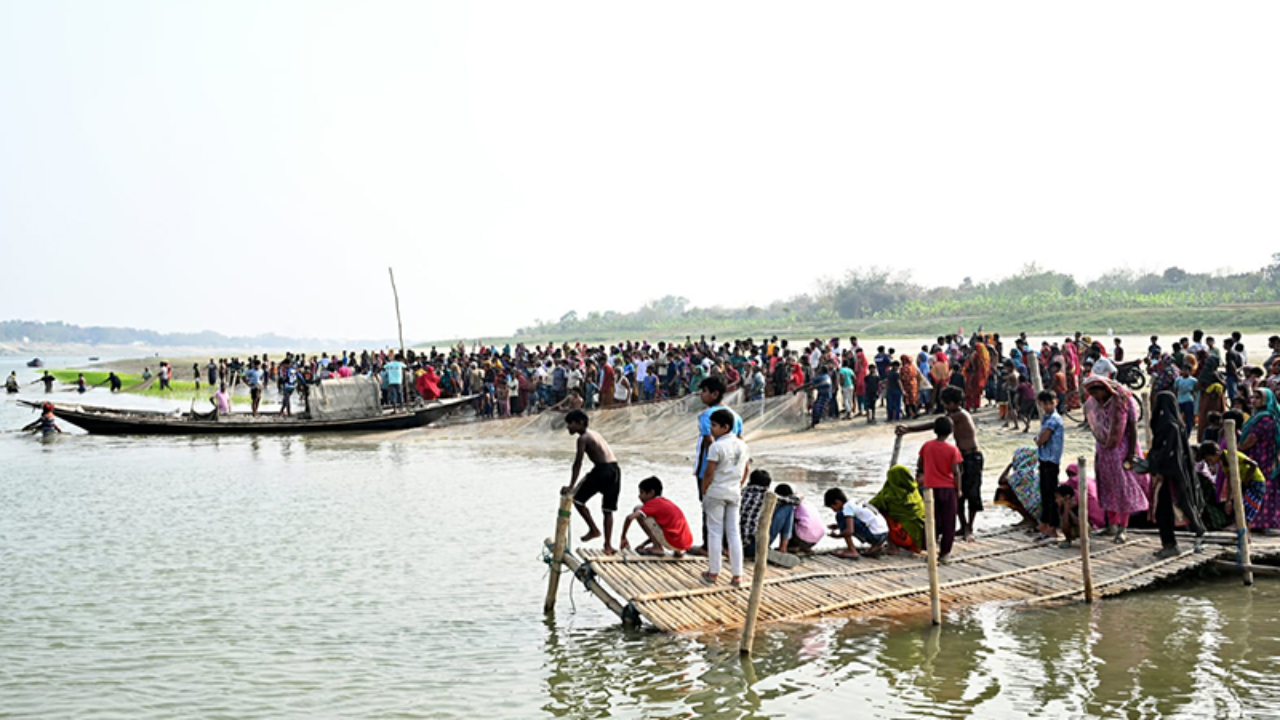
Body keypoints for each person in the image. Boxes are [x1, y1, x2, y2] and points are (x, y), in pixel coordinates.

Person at [898, 386, 983, 540]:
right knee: (958, 493)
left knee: (972, 493)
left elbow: (935, 425)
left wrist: (910, 429)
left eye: (946, 404)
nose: (944, 406)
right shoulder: (953, 414)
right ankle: (963, 525)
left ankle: (969, 527)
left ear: (955, 403)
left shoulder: (960, 415)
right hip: (962, 456)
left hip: (972, 457)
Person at [1083, 376, 1148, 543]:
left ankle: (1123, 528)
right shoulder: (1094, 404)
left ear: (1105, 389)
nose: (1095, 397)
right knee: (1107, 488)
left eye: (1096, 392)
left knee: (1122, 490)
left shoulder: (1124, 401)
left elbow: (1132, 427)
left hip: (1121, 450)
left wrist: (1131, 453)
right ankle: (1111, 525)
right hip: (1104, 451)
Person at [1146, 391, 1206, 556]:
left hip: (1169, 475)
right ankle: (1173, 542)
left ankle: (1172, 545)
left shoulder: (1170, 427)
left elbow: (1168, 453)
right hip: (1174, 473)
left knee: (1166, 510)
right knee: (1173, 507)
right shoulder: (1175, 425)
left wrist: (1157, 467)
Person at [691, 377, 742, 555]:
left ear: (714, 394)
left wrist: (709, 474)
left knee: (708, 506)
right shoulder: (735, 416)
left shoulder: (706, 416)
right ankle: (726, 546)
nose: (701, 395)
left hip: (709, 468)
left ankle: (708, 546)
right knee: (728, 510)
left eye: (704, 391)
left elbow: (708, 442)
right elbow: (740, 442)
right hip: (731, 470)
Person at [560, 409, 622, 554]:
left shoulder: (583, 438)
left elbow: (578, 463)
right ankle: (608, 546)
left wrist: (571, 486)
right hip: (615, 470)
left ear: (580, 423)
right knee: (608, 510)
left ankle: (594, 529)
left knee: (577, 500)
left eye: (570, 424)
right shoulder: (594, 434)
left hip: (602, 470)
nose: (568, 427)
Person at [700, 408, 750, 585]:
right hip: (734, 492)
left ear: (725, 427)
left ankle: (713, 572)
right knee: (733, 532)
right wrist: (739, 484)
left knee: (715, 532)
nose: (711, 429)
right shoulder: (743, 445)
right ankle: (737, 574)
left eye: (714, 425)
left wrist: (704, 489)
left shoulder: (716, 446)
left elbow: (709, 472)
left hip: (717, 491)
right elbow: (746, 469)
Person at [915, 415, 964, 562]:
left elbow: (920, 463)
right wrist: (958, 489)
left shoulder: (927, 446)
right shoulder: (953, 450)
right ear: (951, 431)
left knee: (931, 520)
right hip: (948, 488)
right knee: (949, 521)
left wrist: (923, 474)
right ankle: (944, 553)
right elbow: (956, 472)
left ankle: (930, 550)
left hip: (930, 488)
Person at [619, 477, 693, 557]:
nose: (639, 496)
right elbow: (661, 530)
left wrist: (623, 537)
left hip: (672, 541)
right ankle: (679, 551)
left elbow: (629, 518)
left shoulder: (653, 503)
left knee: (638, 509)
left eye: (641, 493)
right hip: (684, 544)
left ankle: (657, 548)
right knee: (650, 515)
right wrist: (644, 544)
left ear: (651, 493)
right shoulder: (666, 502)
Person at [1240, 389, 1280, 532]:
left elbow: (1252, 439)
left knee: (1257, 488)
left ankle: (1258, 522)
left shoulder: (1264, 419)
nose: (1254, 400)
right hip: (1264, 457)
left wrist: (1238, 448)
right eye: (1254, 397)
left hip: (1261, 457)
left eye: (1258, 398)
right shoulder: (1261, 416)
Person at [869, 465, 926, 553]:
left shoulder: (888, 495)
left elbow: (871, 506)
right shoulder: (915, 492)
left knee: (880, 514)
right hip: (918, 540)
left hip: (904, 538)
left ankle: (893, 547)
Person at [823, 487, 888, 560]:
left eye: (832, 507)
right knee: (844, 518)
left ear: (837, 502)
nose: (833, 510)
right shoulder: (853, 502)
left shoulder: (847, 508)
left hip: (875, 535)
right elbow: (863, 519)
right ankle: (877, 546)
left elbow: (850, 531)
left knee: (840, 515)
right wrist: (838, 526)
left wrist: (837, 536)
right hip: (884, 534)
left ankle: (851, 551)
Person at [1034, 390, 1064, 539]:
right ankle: (1045, 524)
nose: (1048, 406)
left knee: (1050, 495)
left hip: (1051, 461)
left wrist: (1037, 439)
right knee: (1045, 494)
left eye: (1050, 403)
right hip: (1045, 459)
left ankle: (1052, 527)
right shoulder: (1046, 418)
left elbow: (1041, 440)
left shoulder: (1054, 420)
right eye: (1045, 403)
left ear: (1055, 402)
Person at [993, 446, 1042, 529]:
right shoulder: (1036, 471)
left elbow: (1001, 481)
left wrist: (1009, 466)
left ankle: (1028, 519)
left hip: (1033, 509)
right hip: (1043, 510)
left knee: (1003, 489)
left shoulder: (1019, 474)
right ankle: (1030, 519)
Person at [771, 483, 824, 555]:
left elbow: (787, 524)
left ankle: (788, 546)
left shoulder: (790, 504)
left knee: (786, 519)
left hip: (802, 539)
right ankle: (805, 547)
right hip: (816, 539)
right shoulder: (806, 502)